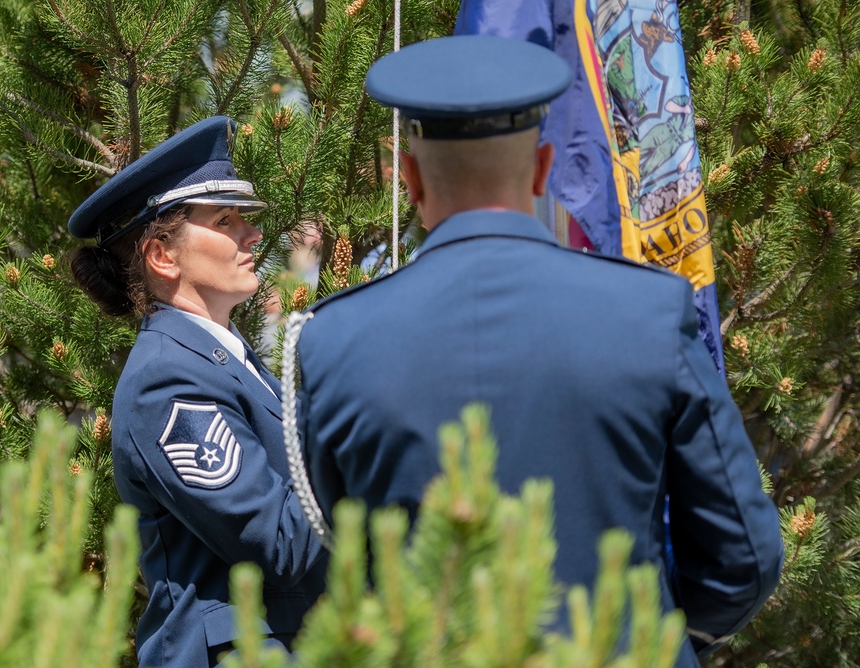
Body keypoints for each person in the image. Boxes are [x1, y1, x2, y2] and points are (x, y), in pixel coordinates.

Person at [291, 35, 783, 665]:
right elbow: (743, 550)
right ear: (544, 167)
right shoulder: (648, 313)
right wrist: (648, 637)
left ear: (410, 178)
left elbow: (344, 555)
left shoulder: (335, 339)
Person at [68, 116, 327, 668]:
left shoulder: (223, 360)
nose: (252, 234)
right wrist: (361, 415)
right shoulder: (168, 382)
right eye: (226, 220)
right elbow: (278, 540)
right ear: (163, 255)